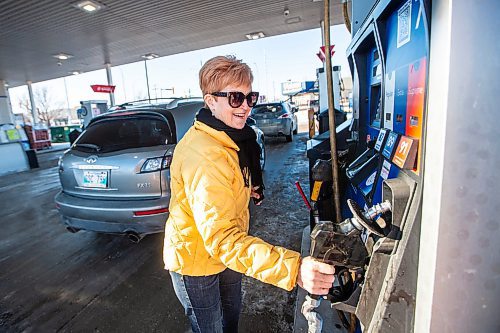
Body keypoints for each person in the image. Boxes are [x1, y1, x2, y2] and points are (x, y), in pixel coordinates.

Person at [163, 55, 335, 333]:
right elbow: (221, 239)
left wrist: (244, 188)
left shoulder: (227, 138)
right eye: (234, 98)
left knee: (230, 320)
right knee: (211, 328)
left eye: (249, 97)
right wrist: (294, 269)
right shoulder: (204, 155)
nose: (244, 106)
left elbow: (224, 189)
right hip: (196, 260)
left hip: (226, 252)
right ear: (210, 101)